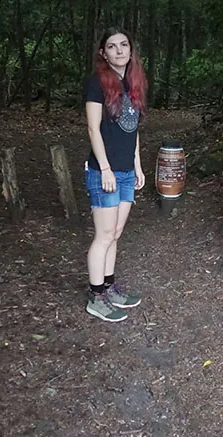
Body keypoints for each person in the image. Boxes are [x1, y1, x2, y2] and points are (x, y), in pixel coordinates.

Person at [83, 27, 147, 322]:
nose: (119, 50)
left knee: (116, 234)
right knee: (104, 235)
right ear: (103, 53)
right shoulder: (97, 83)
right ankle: (96, 297)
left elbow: (131, 130)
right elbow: (93, 128)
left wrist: (137, 166)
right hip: (103, 172)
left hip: (124, 171)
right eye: (112, 46)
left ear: (131, 50)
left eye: (124, 45)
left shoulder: (131, 84)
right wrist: (106, 168)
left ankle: (109, 288)